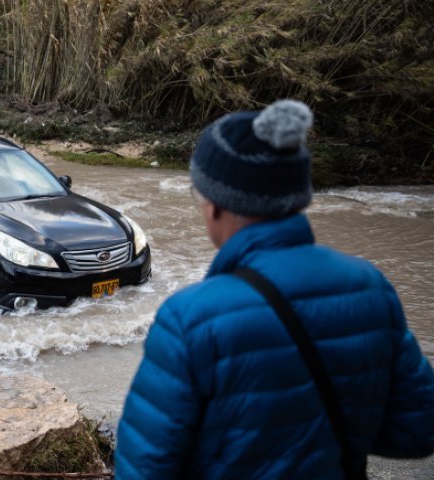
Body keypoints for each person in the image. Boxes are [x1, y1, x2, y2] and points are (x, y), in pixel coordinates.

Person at [114, 99, 434, 479]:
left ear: (216, 204)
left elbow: (144, 469)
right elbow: (418, 430)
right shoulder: (370, 286)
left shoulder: (190, 318)